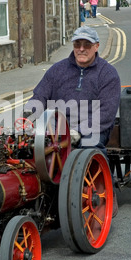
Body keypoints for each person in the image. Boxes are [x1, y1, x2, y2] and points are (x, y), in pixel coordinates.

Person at [24, 26, 121, 216]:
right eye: (77, 44)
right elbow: (40, 96)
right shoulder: (57, 70)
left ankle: (105, 194)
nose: (81, 49)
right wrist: (28, 117)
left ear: (96, 47)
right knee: (27, 151)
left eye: (87, 44)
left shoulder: (108, 74)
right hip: (57, 128)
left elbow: (106, 113)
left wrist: (79, 130)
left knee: (87, 148)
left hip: (93, 128)